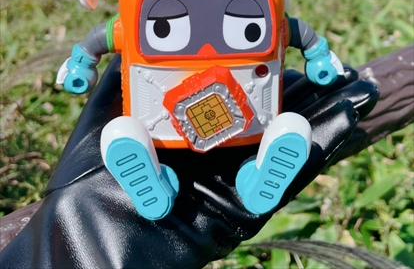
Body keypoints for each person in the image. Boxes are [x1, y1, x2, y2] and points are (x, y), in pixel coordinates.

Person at [0, 45, 412, 269]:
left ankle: (156, 184)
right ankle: (253, 180)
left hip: (173, 123)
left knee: (125, 131)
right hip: (205, 117)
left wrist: (80, 242)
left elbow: (97, 41)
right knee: (273, 129)